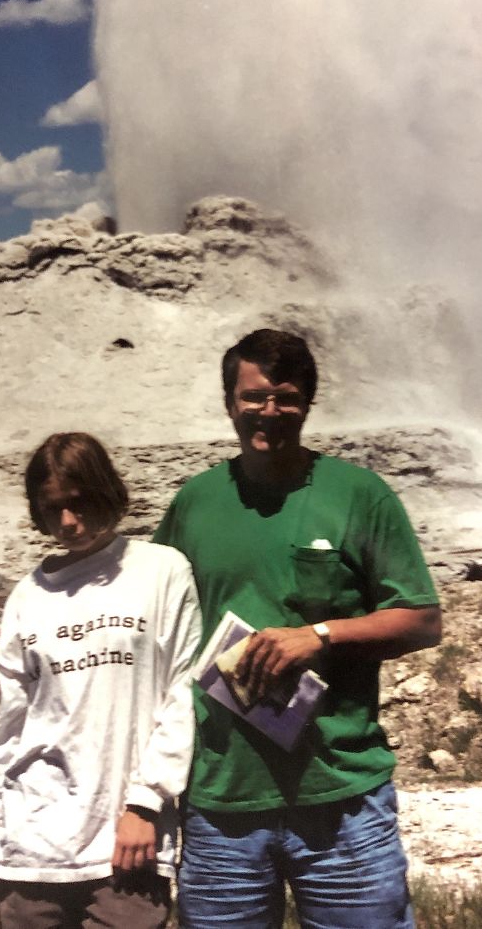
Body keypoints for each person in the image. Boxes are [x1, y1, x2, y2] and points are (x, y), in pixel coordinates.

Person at [154, 329, 442, 928]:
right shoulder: (193, 505)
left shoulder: (360, 495)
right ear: (229, 401)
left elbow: (422, 620)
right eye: (254, 396)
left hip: (340, 796)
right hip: (221, 801)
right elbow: (155, 627)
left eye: (285, 397)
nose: (269, 412)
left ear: (307, 403)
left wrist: (321, 635)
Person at [0, 432, 201, 929]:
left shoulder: (161, 571)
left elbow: (183, 693)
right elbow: (9, 735)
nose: (68, 523)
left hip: (126, 849)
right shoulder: (26, 597)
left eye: (78, 503)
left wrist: (145, 803)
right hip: (30, 851)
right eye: (51, 509)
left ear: (106, 491)